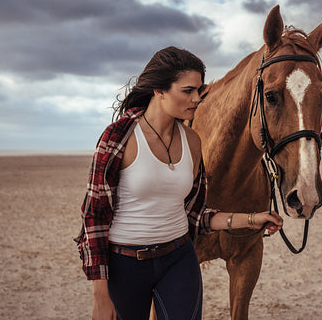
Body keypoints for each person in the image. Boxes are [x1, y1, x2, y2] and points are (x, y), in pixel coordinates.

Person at [75, 46, 283, 320]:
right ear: (159, 91)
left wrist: (252, 220)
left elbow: (195, 214)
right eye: (188, 91)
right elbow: (94, 217)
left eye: (199, 90)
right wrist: (101, 297)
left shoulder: (192, 141)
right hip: (125, 265)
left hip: (179, 260)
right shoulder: (118, 138)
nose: (198, 99)